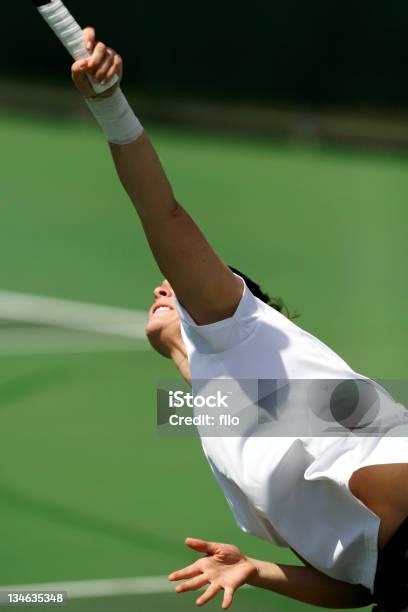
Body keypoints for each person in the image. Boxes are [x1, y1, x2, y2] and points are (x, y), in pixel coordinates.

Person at [70, 29, 408, 611]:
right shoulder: (221, 418)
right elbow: (355, 583)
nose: (163, 285)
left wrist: (110, 105)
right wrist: (256, 569)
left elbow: (163, 213)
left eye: (180, 281)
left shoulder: (236, 330)